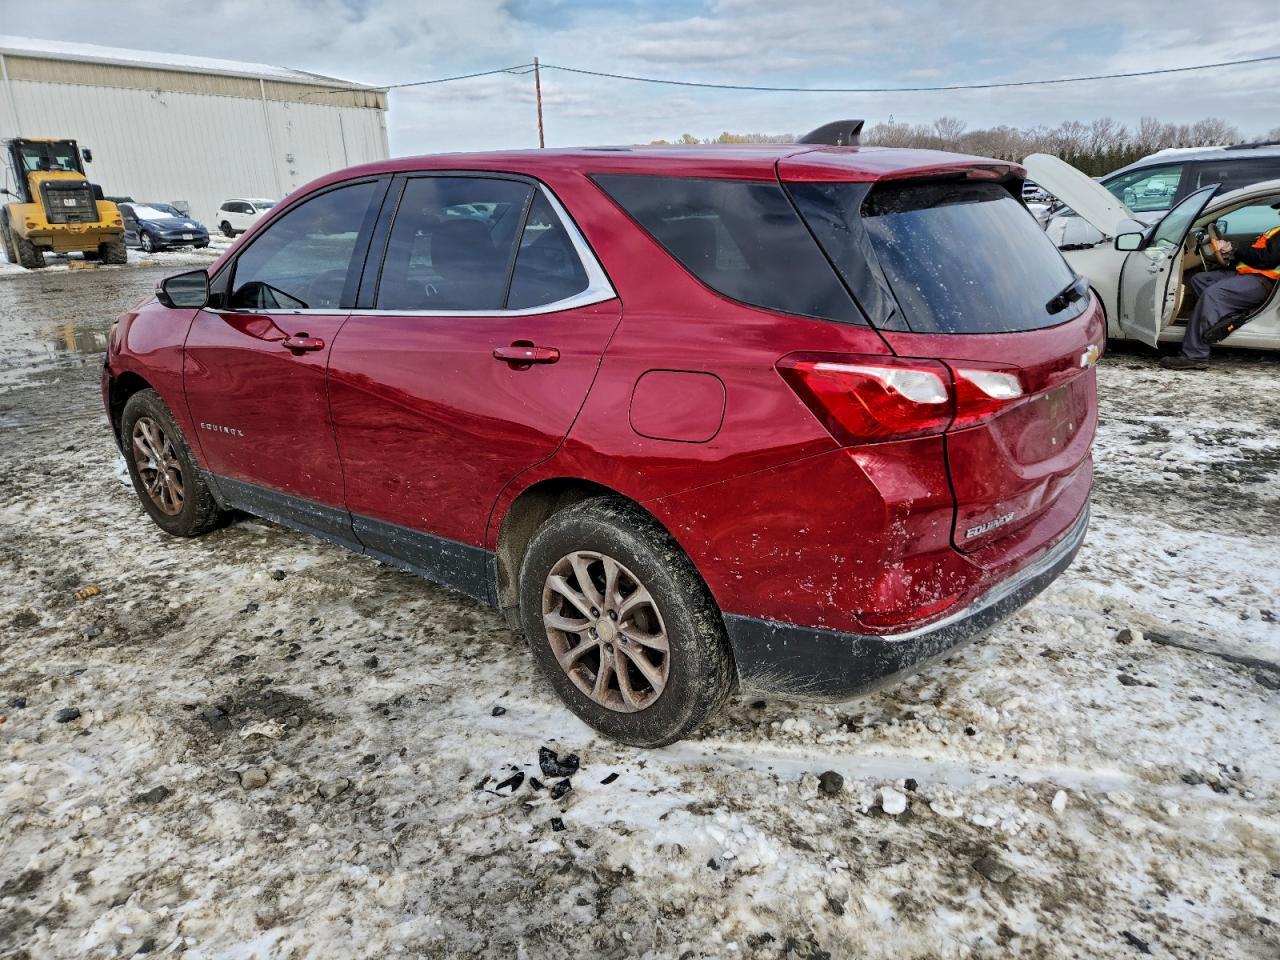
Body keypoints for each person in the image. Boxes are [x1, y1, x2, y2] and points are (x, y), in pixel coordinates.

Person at [1162, 224, 1280, 369]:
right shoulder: (1276, 231)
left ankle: (1195, 355)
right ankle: (1226, 321)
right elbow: (1259, 254)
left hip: (1262, 282)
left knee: (1212, 295)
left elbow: (1266, 259)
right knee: (1200, 280)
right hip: (1247, 275)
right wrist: (1231, 255)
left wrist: (1234, 248)